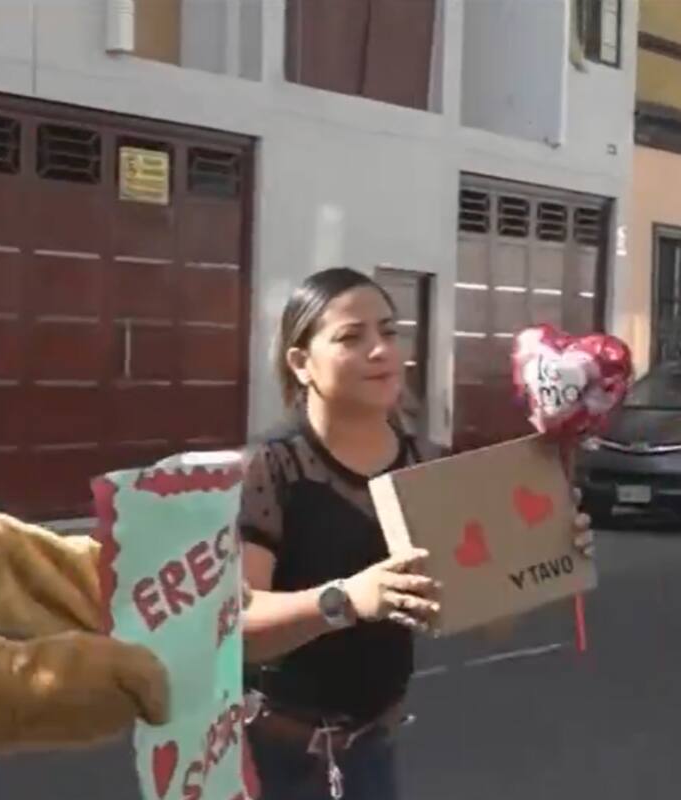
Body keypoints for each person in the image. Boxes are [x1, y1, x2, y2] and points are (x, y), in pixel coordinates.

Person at [237, 267, 594, 800]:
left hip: (371, 754)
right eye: (351, 337)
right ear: (300, 362)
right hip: (270, 760)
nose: (381, 350)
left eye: (389, 331)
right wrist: (346, 599)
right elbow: (238, 628)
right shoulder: (271, 468)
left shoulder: (429, 465)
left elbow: (491, 624)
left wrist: (540, 547)